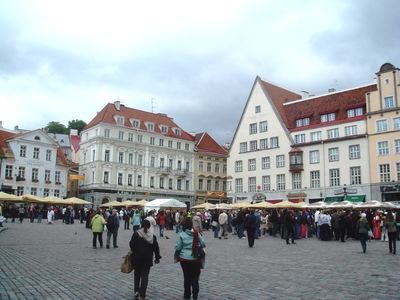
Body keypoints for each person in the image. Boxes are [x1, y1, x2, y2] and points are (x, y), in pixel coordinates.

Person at [130, 219, 161, 300]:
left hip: (137, 258)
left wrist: (135, 250)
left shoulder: (137, 234)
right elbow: (156, 248)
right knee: (145, 276)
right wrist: (157, 257)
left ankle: (136, 290)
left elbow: (131, 244)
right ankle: (142, 294)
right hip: (147, 259)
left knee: (137, 274)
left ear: (141, 225)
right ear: (149, 226)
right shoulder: (152, 236)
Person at [175, 217, 205, 300]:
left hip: (184, 259)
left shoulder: (182, 234)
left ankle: (187, 295)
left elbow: (178, 247)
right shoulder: (196, 233)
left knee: (187, 277)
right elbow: (203, 244)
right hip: (195, 258)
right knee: (195, 277)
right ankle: (195, 294)